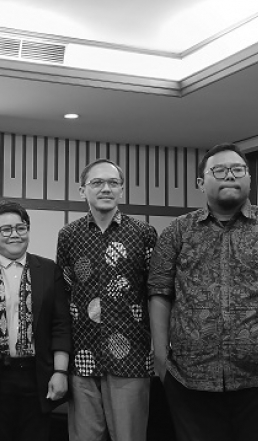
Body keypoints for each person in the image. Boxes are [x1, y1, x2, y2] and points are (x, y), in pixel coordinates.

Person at [148, 142, 258, 441]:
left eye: (238, 169)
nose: (230, 175)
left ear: (249, 179)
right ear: (201, 183)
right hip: (192, 380)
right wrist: (161, 359)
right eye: (219, 170)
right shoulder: (178, 231)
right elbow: (159, 293)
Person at [56, 158, 158, 441]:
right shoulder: (68, 236)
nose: (105, 189)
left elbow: (156, 293)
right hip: (83, 357)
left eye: (113, 183)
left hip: (132, 359)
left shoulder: (144, 233)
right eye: (97, 182)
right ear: (82, 190)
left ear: (122, 190)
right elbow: (64, 294)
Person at [0, 201, 72, 441]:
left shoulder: (49, 270)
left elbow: (61, 324)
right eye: (6, 229)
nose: (15, 235)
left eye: (21, 228)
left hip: (37, 377)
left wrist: (60, 371)